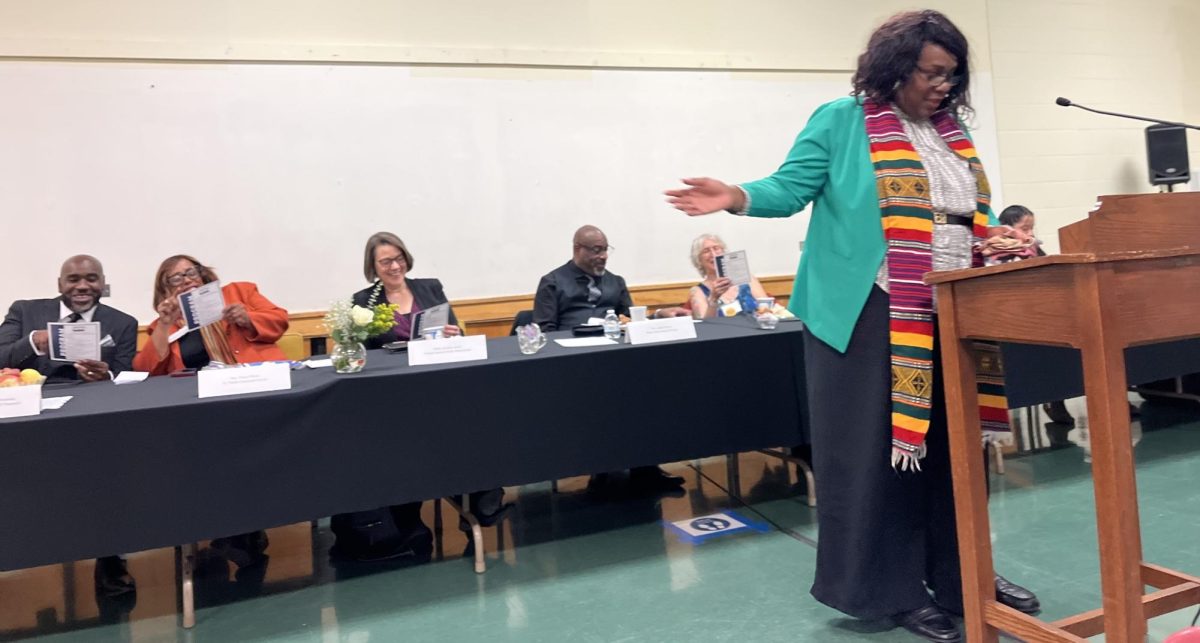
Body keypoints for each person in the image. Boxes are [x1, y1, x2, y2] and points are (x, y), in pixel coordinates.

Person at [665, 11, 1037, 642]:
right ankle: (888, 591)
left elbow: (954, 217)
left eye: (952, 75)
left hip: (949, 309)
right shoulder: (844, 120)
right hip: (868, 312)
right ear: (895, 68)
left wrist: (990, 237)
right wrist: (735, 195)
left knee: (951, 453)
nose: (943, 87)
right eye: (931, 73)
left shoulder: (949, 134)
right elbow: (790, 187)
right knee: (879, 460)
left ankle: (962, 574)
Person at [331, 232, 506, 561]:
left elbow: (456, 333)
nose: (395, 266)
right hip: (395, 396)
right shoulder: (363, 302)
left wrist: (453, 333)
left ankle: (482, 498)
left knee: (476, 423)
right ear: (373, 267)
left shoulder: (429, 288)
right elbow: (364, 355)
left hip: (438, 386)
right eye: (386, 262)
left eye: (399, 258)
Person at [133, 254, 289, 567]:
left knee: (241, 449)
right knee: (214, 453)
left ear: (204, 275)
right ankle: (241, 533)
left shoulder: (240, 293)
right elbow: (147, 369)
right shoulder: (164, 324)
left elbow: (279, 320)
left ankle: (239, 534)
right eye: (175, 279)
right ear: (165, 292)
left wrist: (247, 317)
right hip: (205, 410)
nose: (186, 280)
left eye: (191, 272)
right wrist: (165, 324)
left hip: (256, 394)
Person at [0, 254, 139, 598]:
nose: (82, 286)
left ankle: (110, 556)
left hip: (94, 419)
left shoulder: (122, 323)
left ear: (102, 284)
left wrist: (105, 375)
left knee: (110, 474)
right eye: (73, 279)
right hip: (30, 417)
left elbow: (126, 374)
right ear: (59, 284)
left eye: (91, 279)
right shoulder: (25, 312)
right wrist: (35, 342)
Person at [532, 225, 687, 492]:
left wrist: (660, 314)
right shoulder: (553, 282)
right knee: (600, 399)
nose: (603, 256)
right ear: (577, 249)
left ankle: (645, 469)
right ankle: (602, 468)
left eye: (605, 249)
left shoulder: (616, 281)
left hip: (616, 361)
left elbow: (632, 318)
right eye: (596, 250)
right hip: (573, 364)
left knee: (647, 391)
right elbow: (543, 330)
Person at [686, 233, 771, 319]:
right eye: (706, 251)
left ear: (724, 252)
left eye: (716, 248)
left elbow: (767, 310)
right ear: (699, 260)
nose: (713, 254)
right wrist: (713, 299)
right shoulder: (698, 291)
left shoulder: (747, 278)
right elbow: (704, 326)